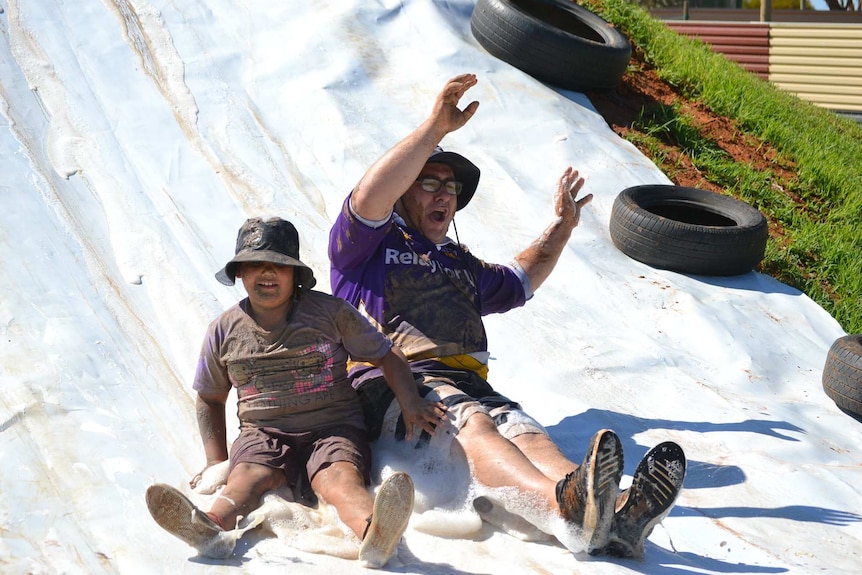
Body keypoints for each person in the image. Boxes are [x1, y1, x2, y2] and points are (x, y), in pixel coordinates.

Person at [328, 73, 687, 559]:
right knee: (474, 424)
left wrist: (561, 226)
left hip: (468, 380)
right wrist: (435, 129)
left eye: (450, 189)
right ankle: (560, 506)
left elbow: (520, 280)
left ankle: (613, 514)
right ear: (404, 194)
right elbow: (370, 196)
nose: (443, 196)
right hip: (395, 381)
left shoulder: (459, 263)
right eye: (428, 184)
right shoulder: (368, 245)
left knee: (528, 433)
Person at [145, 216, 446, 568]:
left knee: (339, 480)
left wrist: (411, 403)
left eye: (279, 266)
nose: (267, 273)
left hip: (333, 427)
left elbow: (386, 354)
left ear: (295, 275)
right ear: (240, 273)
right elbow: (211, 398)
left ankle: (374, 534)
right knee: (247, 478)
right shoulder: (224, 330)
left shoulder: (330, 313)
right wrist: (216, 462)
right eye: (255, 264)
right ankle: (210, 527)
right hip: (263, 432)